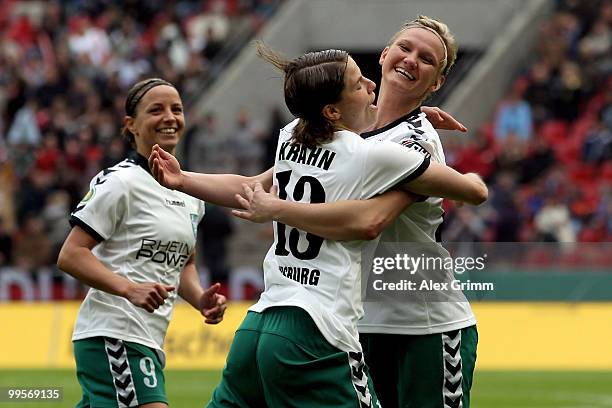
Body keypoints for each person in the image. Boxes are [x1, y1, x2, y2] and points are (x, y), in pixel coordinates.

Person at [150, 41, 486, 407]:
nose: (370, 87)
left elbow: (249, 189)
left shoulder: (292, 135)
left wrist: (184, 178)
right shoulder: (376, 155)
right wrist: (460, 167)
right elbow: (464, 193)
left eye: (427, 59)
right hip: (319, 326)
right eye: (359, 84)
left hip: (264, 317)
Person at [57, 78, 227, 408]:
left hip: (148, 338)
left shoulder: (191, 193)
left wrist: (198, 298)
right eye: (156, 110)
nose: (170, 117)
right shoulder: (120, 182)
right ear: (131, 125)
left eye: (176, 109)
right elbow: (71, 254)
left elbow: (185, 262)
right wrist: (127, 288)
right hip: (114, 332)